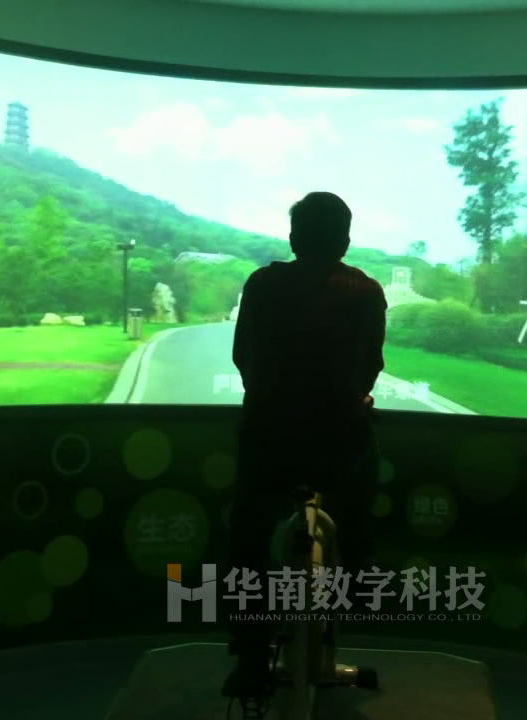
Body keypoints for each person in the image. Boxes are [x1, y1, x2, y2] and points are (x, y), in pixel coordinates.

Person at [222, 191, 387, 701]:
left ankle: (250, 656)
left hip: (269, 438)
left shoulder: (262, 285)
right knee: (357, 514)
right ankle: (356, 589)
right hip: (340, 441)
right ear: (345, 241)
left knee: (247, 534)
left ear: (293, 238)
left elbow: (244, 357)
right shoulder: (366, 292)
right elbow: (370, 367)